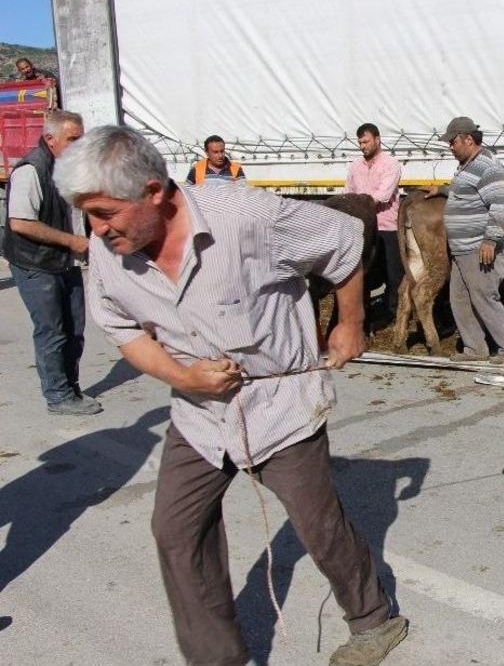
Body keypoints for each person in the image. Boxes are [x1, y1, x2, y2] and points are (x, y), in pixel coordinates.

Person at [54, 125, 407, 666]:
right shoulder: (108, 252)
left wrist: (351, 321)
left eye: (105, 214)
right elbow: (124, 331)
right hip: (198, 416)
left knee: (318, 525)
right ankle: (217, 659)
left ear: (154, 192)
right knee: (176, 529)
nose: (96, 231)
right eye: (87, 216)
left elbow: (343, 240)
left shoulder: (246, 217)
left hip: (279, 409)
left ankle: (374, 620)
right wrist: (184, 378)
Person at [3, 110, 100, 415]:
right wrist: (73, 242)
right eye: (73, 138)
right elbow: (20, 223)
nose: (79, 144)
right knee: (52, 330)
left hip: (66, 261)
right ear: (50, 139)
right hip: (36, 263)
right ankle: (58, 396)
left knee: (75, 329)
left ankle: (70, 388)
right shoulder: (31, 170)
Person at [426, 116, 504, 362]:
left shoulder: (489, 166)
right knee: (459, 299)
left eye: (453, 142)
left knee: (485, 297)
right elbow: (466, 191)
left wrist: (490, 240)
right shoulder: (467, 166)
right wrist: (442, 190)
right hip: (463, 249)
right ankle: (475, 348)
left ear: (468, 139)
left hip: (478, 247)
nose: (450, 147)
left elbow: (499, 205)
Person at [345, 122, 404, 321]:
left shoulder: (391, 164)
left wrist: (358, 206)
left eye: (366, 141)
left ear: (377, 140)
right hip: (363, 229)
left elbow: (384, 194)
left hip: (386, 226)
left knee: (393, 274)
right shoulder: (354, 166)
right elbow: (348, 193)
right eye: (360, 142)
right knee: (366, 273)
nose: (363, 146)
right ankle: (367, 316)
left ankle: (395, 315)